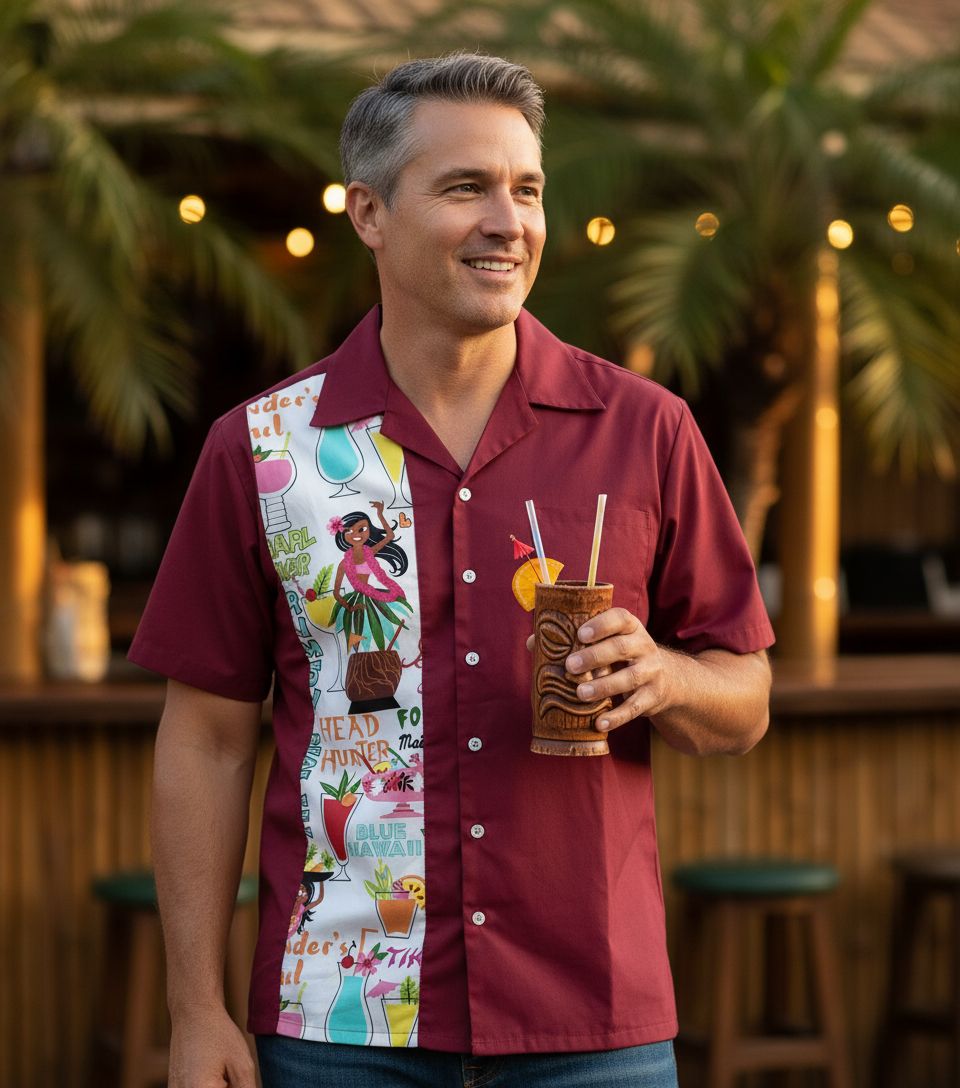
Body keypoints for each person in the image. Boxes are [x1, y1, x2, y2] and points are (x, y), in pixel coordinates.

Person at [130, 52, 774, 1088]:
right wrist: (196, 1008)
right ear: (369, 212)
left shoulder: (647, 430)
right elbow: (204, 740)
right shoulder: (261, 450)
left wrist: (668, 677)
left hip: (592, 1023)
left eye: (526, 189)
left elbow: (744, 698)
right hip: (341, 1021)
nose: (507, 220)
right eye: (465, 186)